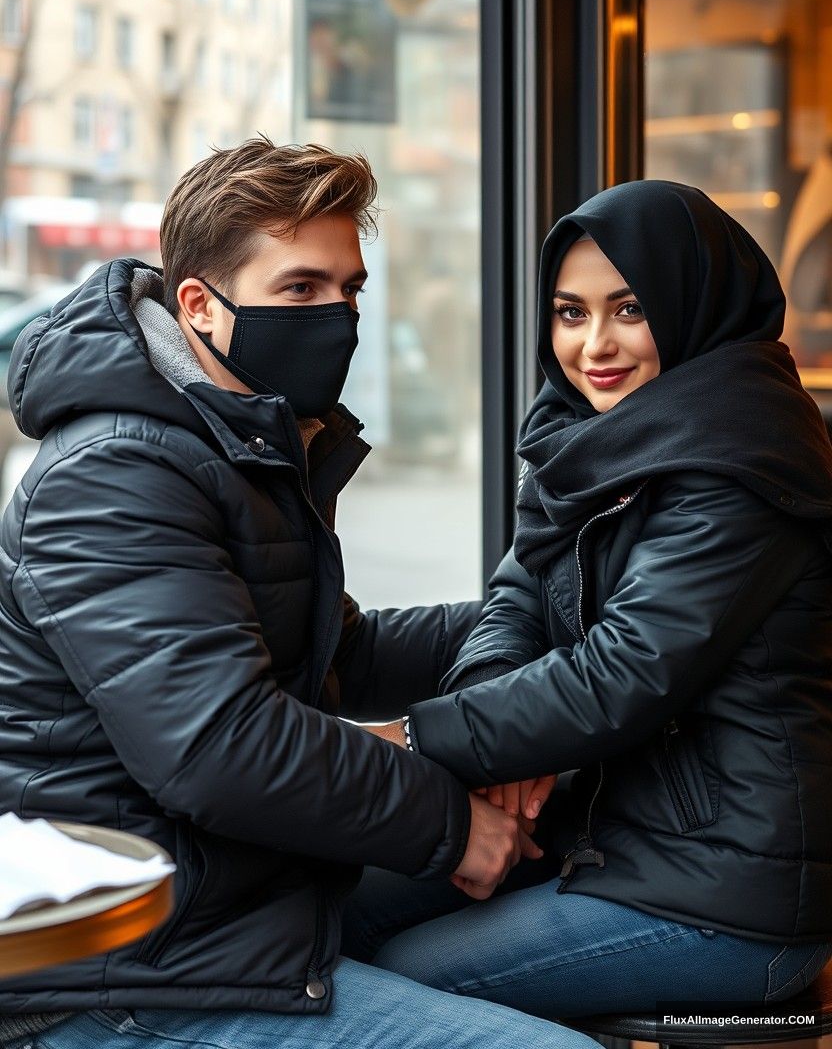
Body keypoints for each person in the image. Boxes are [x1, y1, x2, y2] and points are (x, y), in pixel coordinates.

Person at [0, 138, 600, 1049]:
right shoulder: (118, 470)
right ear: (198, 304)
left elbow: (338, 655)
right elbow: (218, 746)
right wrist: (447, 823)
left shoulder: (230, 438)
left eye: (351, 289)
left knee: (554, 859)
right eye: (301, 289)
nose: (338, 316)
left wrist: (544, 616)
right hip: (129, 965)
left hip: (240, 892)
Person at [347, 179, 832, 1018]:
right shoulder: (584, 438)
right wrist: (498, 744)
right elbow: (517, 603)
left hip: (731, 900)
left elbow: (622, 673)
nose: (594, 345)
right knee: (324, 909)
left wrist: (415, 737)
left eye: (630, 309)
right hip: (609, 838)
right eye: (571, 312)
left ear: (692, 304)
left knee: (410, 980)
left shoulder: (743, 459)